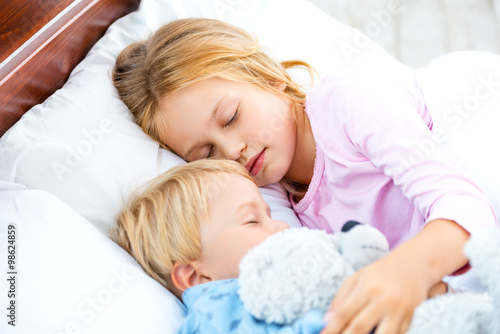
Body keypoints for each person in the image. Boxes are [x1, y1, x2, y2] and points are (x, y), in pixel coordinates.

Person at [112, 18, 498, 334]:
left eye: (231, 117)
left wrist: (408, 271)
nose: (232, 152)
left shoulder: (347, 105)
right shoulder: (264, 199)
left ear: (268, 77)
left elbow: (464, 205)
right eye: (206, 153)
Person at [111, 159, 326, 333]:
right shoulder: (219, 316)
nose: (284, 225)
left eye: (269, 214)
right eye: (252, 220)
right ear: (196, 277)